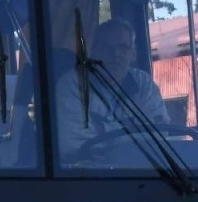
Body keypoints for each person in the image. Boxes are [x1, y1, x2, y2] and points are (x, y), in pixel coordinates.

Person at [52, 18, 167, 162]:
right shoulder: (72, 85)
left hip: (141, 172)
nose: (115, 54)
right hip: (87, 176)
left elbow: (160, 135)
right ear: (93, 52)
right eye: (106, 47)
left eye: (123, 47)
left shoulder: (144, 84)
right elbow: (72, 145)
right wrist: (130, 127)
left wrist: (103, 129)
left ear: (133, 54)